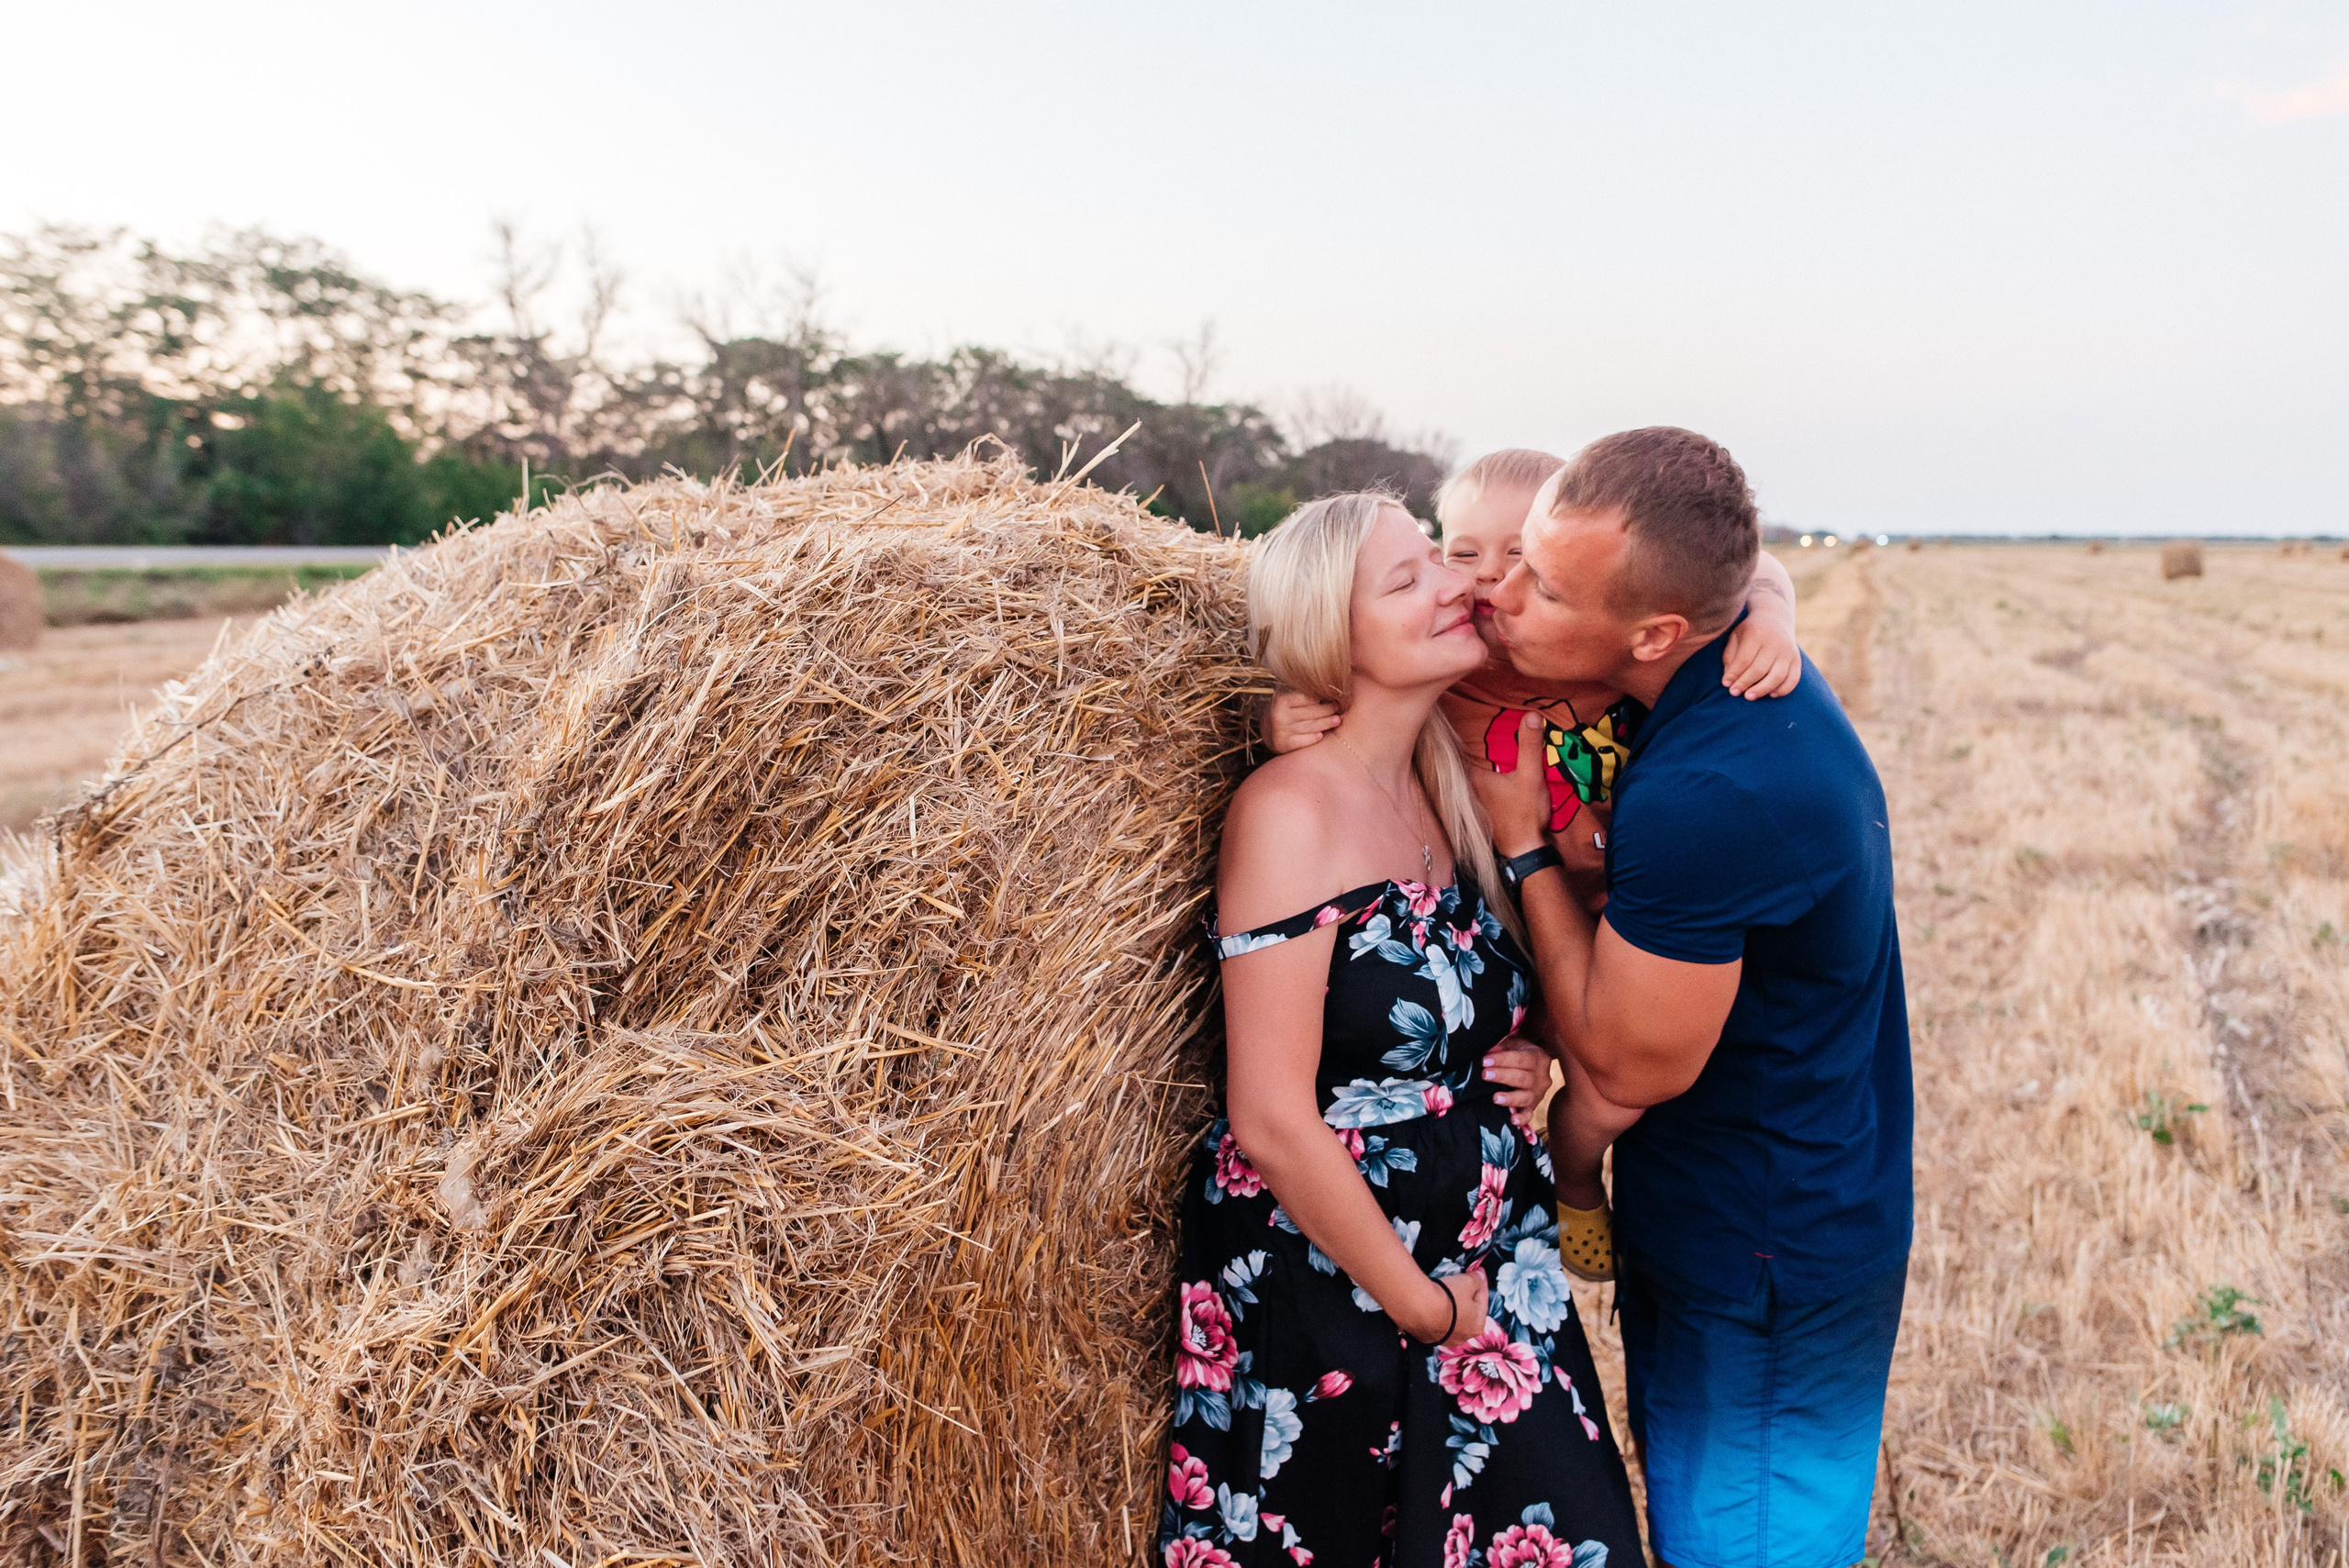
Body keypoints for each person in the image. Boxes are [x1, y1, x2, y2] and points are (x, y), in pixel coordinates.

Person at [1161, 493, 1642, 1568]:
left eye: (1439, 557)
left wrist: (1524, 1056)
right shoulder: (1291, 810)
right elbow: (1272, 1116)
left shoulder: (1454, 787)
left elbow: (1698, 574)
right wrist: (1419, 1306)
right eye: (1408, 577)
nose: (1454, 582)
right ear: (1335, 637)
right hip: (1342, 1287)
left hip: (1489, 1264)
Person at [1473, 428, 1912, 1568]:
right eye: (1513, 558)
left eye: (1545, 584)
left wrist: (1522, 846)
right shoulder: (1730, 670)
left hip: (1759, 1241)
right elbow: (1742, 568)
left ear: (1656, 631)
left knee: (1741, 1542)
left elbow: (1623, 1064)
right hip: (1756, 1205)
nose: (1503, 595)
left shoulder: (1708, 789)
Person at [1260, 449, 1805, 1284]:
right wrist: (1288, 708)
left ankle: (1575, 1167)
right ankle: (1549, 1103)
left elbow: (1730, 568)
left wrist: (1769, 617)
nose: (1482, 583)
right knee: (1534, 1022)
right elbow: (1344, 645)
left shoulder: (1579, 639)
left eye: (1521, 558)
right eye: (1458, 554)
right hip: (1522, 919)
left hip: (1623, 910)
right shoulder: (1455, 655)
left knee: (1613, 1085)